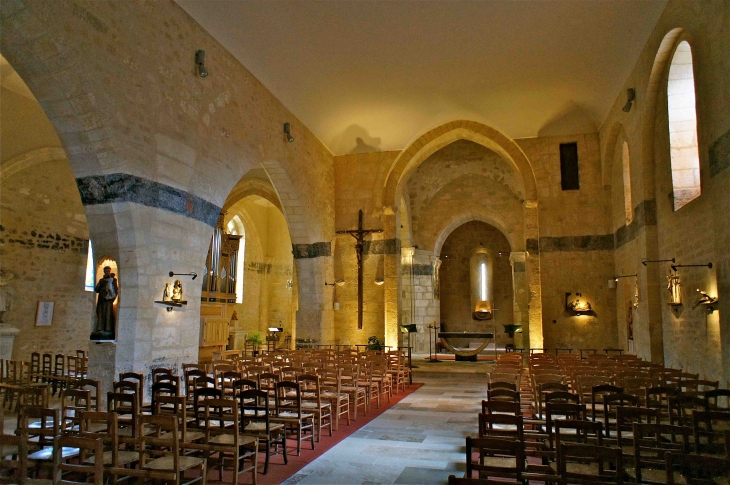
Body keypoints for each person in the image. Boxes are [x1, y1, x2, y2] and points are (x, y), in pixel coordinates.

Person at [91, 266, 117, 339]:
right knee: (100, 313)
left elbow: (115, 290)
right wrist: (100, 286)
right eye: (105, 271)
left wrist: (111, 298)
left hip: (108, 300)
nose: (107, 272)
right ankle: (100, 328)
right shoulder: (101, 280)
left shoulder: (113, 280)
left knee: (108, 314)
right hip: (101, 298)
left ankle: (107, 329)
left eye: (108, 271)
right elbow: (96, 289)